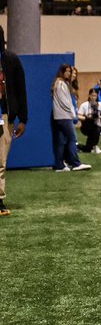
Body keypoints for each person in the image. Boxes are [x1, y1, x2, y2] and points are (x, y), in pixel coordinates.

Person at [0, 25, 29, 215]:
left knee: (0, 161)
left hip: (4, 116)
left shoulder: (10, 60)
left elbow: (20, 89)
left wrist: (23, 118)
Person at [50, 64, 91, 173]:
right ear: (62, 72)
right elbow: (66, 102)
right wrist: (73, 114)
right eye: (67, 71)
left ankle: (59, 165)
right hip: (64, 116)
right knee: (72, 139)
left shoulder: (58, 83)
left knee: (61, 141)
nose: (68, 73)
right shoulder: (61, 84)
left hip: (59, 116)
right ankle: (75, 163)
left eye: (70, 71)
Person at [77, 89, 101, 154]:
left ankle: (81, 147)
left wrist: (98, 117)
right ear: (89, 95)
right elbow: (78, 116)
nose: (93, 97)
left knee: (88, 149)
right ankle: (95, 146)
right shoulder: (84, 105)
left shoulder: (100, 104)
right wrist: (87, 118)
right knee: (96, 129)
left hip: (96, 126)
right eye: (92, 96)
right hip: (86, 127)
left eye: (95, 96)